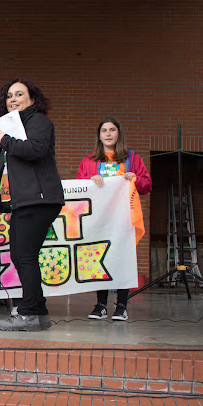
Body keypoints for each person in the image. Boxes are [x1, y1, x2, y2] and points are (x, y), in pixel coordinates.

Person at [0, 78, 64, 331]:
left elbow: (36, 150)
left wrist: (5, 140)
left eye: (19, 94)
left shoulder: (39, 122)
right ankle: (38, 312)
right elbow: (0, 167)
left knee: (25, 256)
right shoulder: (8, 128)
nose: (13, 99)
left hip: (39, 200)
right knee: (20, 256)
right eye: (9, 95)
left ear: (32, 99)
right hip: (23, 201)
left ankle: (29, 312)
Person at [77, 116, 152, 321]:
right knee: (99, 258)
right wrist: (90, 180)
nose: (108, 134)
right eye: (104, 130)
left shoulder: (132, 158)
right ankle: (101, 305)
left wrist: (134, 178)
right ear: (99, 136)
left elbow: (147, 185)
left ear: (118, 133)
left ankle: (121, 306)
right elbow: (80, 187)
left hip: (124, 218)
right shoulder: (89, 161)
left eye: (112, 130)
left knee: (123, 259)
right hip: (99, 218)